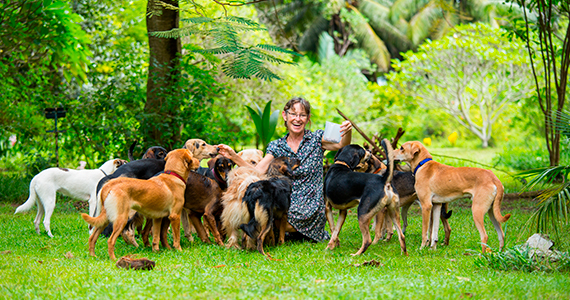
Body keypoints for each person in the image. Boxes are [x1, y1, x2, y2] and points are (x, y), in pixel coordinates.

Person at [217, 97, 353, 242]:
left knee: (274, 219)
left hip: (310, 203)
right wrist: (233, 156)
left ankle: (278, 229)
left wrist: (347, 131)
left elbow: (341, 144)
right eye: (293, 114)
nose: (297, 119)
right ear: (285, 115)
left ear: (308, 119)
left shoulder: (316, 139)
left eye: (302, 115)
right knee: (266, 209)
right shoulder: (277, 146)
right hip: (283, 199)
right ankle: (274, 229)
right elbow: (258, 171)